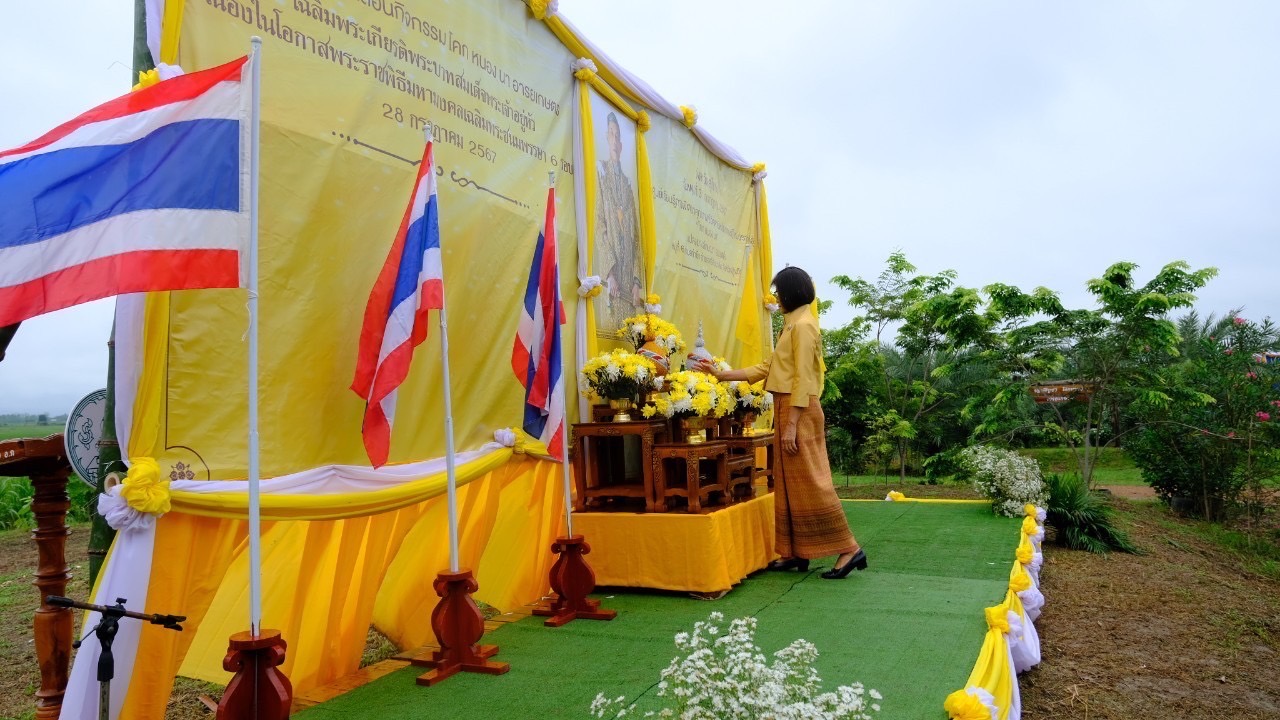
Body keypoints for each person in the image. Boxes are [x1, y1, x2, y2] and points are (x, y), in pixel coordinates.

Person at [692, 267, 867, 579]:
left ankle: (849, 548)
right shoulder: (792, 325)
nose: (775, 298)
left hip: (800, 410)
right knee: (787, 483)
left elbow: (804, 378)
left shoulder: (804, 326)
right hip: (788, 407)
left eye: (778, 292)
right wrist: (721, 375)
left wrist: (791, 425)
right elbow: (766, 367)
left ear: (790, 293)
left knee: (812, 482)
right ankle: (795, 552)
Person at [594, 112, 643, 333]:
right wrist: (609, 273)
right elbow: (599, 225)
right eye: (611, 135)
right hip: (612, 283)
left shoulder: (627, 184)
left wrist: (636, 282)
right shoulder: (600, 173)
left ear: (622, 144)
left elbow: (635, 239)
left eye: (618, 136)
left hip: (628, 288)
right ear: (606, 138)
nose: (614, 140)